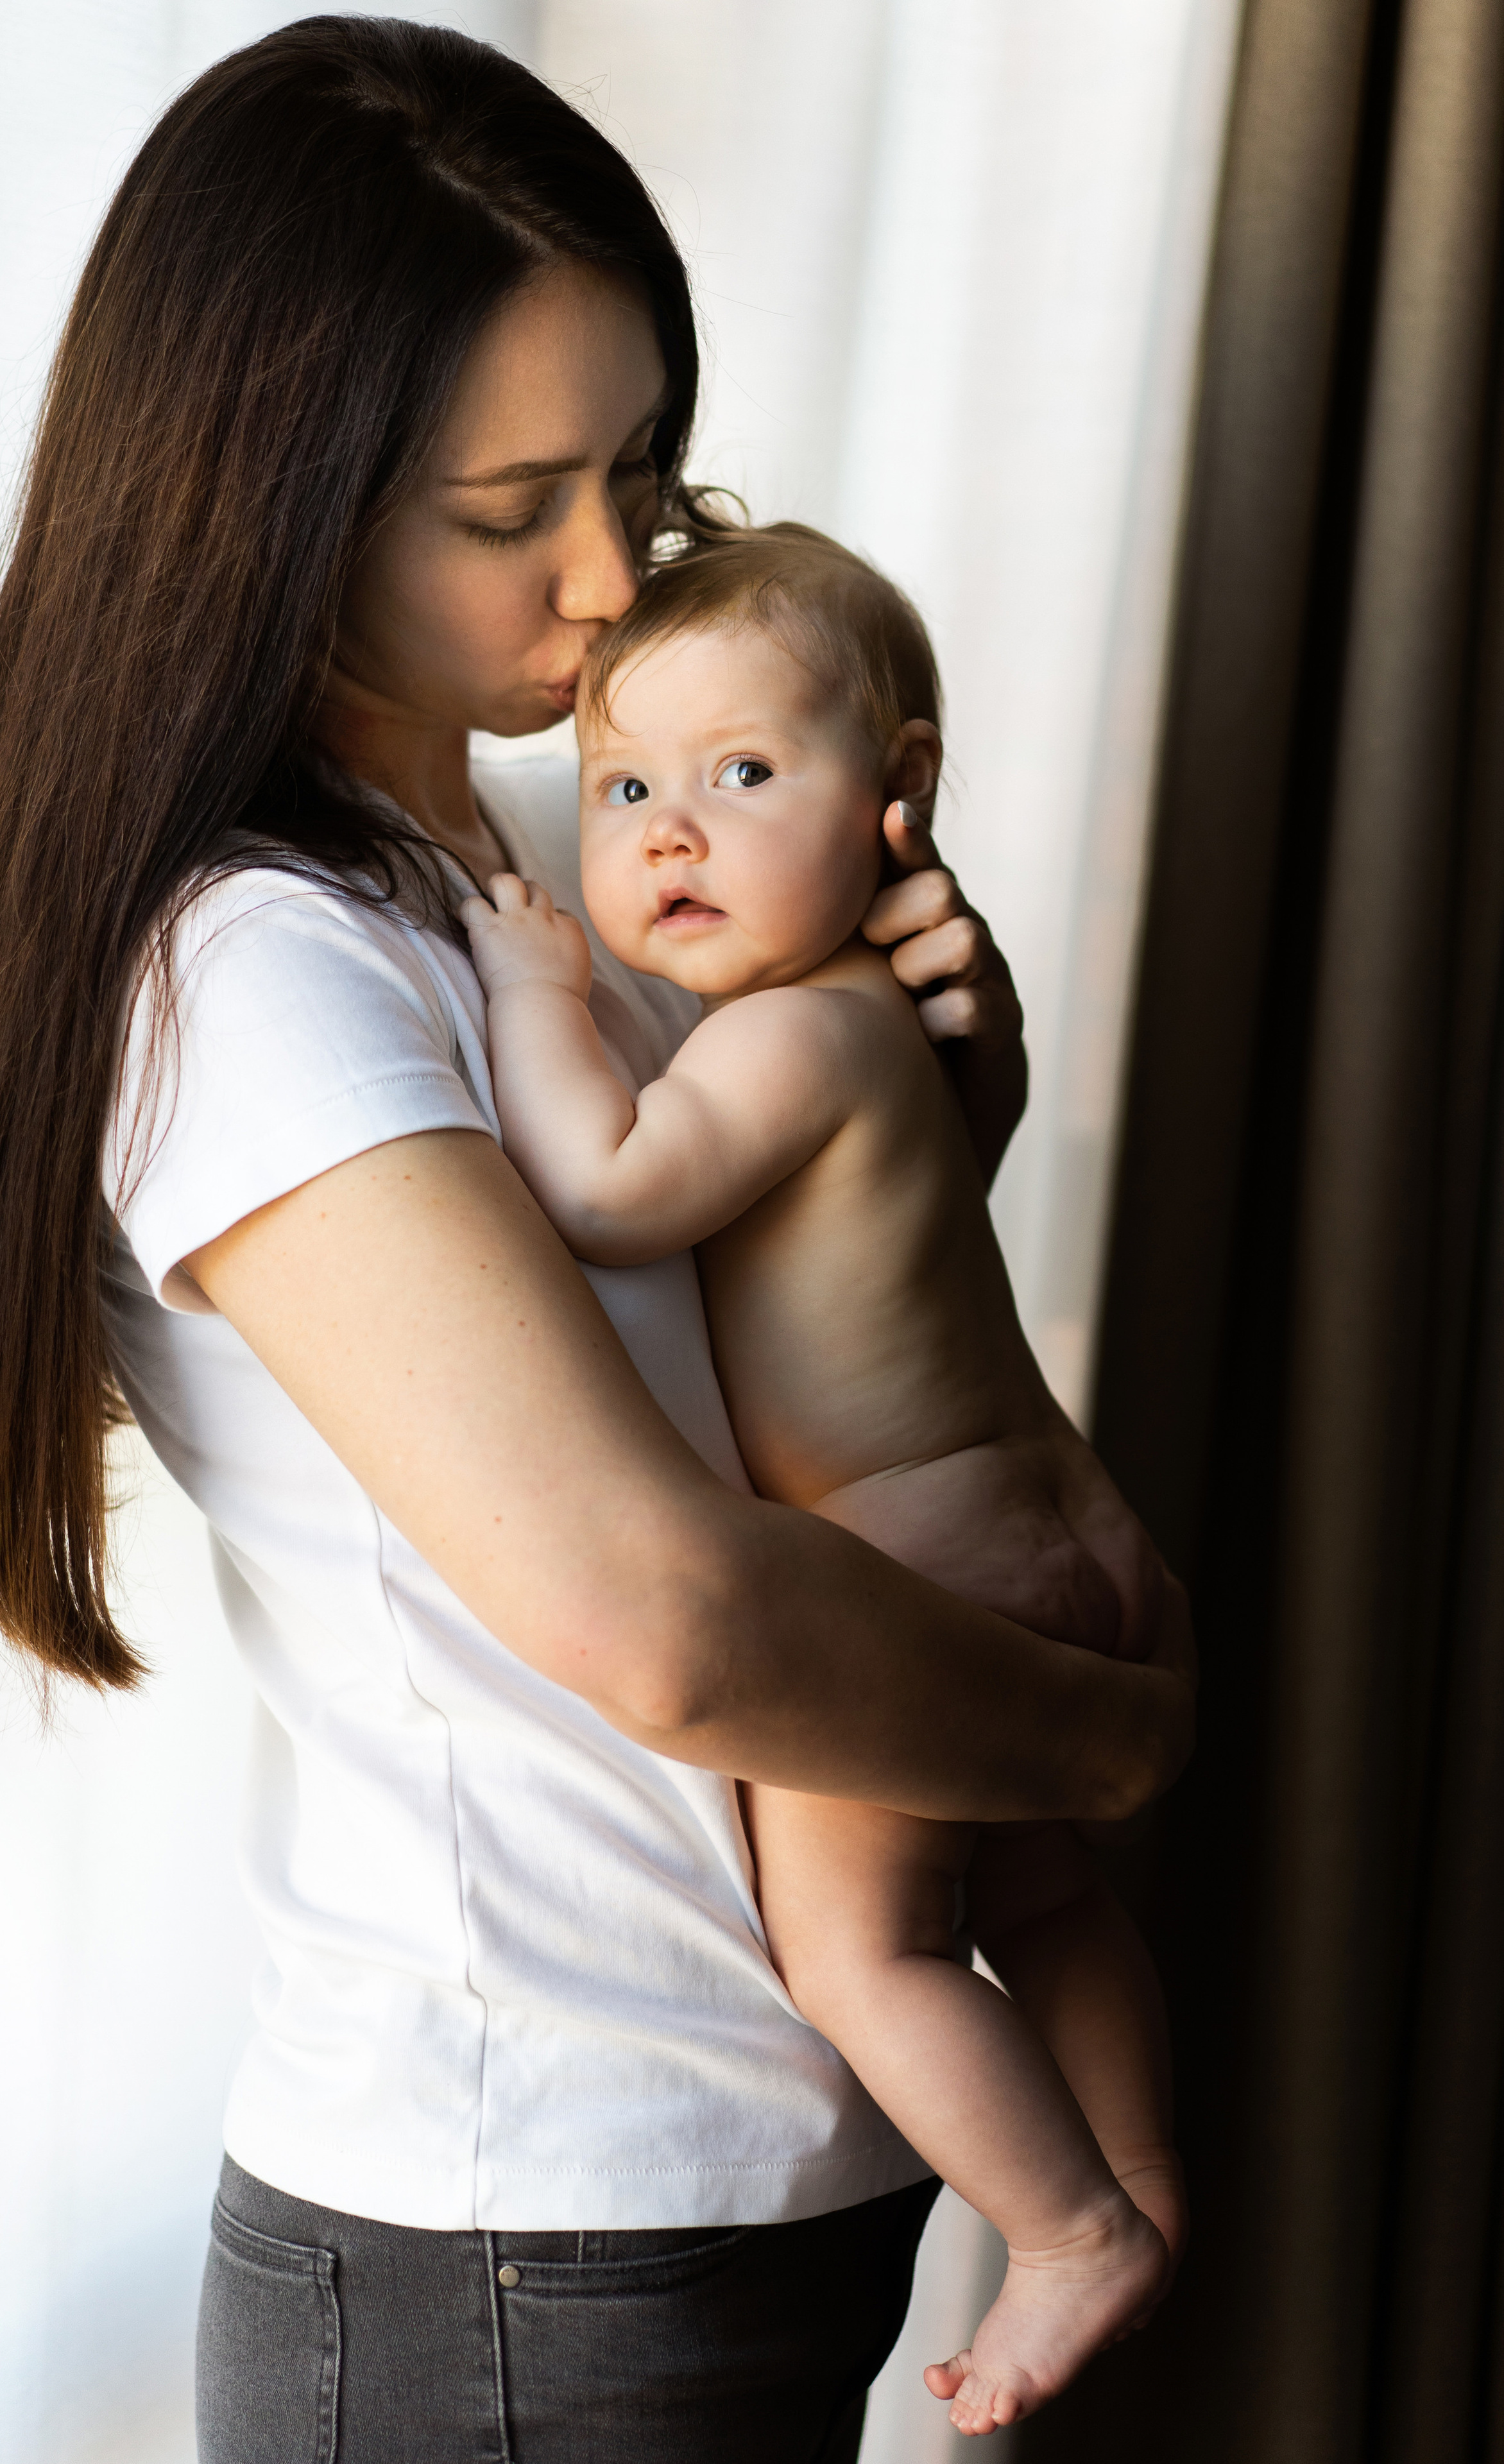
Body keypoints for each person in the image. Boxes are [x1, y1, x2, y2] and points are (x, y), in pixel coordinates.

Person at [0, 23, 1193, 2463]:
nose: (617, 579)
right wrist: (1105, 1736)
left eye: (645, 470)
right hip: (528, 2242)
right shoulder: (261, 976)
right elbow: (656, 1615)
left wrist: (922, 1100)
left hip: (718, 2182)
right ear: (275, 503)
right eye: (515, 507)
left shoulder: (550, 868)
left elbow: (766, 1376)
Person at [464, 520, 1188, 2437]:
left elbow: (611, 1191)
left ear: (901, 792)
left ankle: (1065, 2231)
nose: (669, 834)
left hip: (918, 1565)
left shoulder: (797, 1039)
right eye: (622, 789)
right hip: (1059, 1518)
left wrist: (539, 995)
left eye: (742, 774)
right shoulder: (897, 1031)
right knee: (1043, 1904)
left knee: (864, 1948)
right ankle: (1138, 2171)